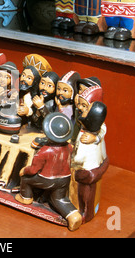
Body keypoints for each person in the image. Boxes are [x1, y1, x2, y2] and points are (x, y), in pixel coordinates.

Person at [16, 112, 83, 231]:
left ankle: (25, 197)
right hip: (64, 179)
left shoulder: (44, 151)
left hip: (47, 180)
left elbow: (33, 170)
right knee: (59, 199)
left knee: (26, 179)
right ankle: (73, 215)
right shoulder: (69, 147)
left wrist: (24, 170)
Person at [72, 86, 108, 223]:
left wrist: (72, 161)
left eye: (85, 107)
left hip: (86, 168)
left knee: (85, 192)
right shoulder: (87, 127)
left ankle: (85, 212)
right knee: (88, 191)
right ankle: (88, 210)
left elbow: (79, 158)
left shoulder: (88, 136)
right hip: (93, 165)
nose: (81, 109)